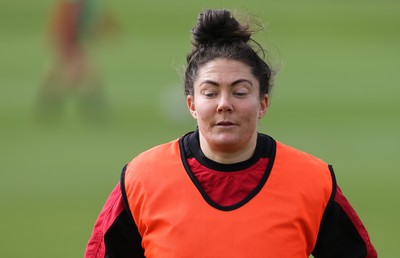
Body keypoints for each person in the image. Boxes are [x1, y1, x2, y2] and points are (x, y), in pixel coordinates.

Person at [84, 9, 377, 258]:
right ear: (192, 105)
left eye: (239, 92)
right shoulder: (142, 179)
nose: (224, 105)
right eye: (210, 93)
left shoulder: (313, 181)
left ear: (262, 103)